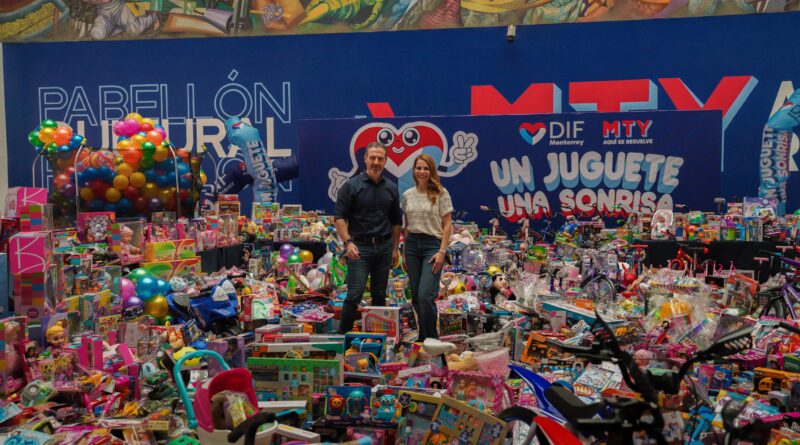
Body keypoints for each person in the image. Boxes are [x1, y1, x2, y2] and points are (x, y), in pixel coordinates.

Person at [335, 142, 402, 334]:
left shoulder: (391, 188)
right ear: (365, 159)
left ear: (385, 161)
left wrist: (395, 249)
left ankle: (378, 339)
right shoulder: (351, 186)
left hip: (384, 248)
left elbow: (396, 221)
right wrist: (348, 243)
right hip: (359, 249)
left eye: (380, 158)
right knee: (354, 295)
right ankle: (342, 337)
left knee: (379, 294)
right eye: (372, 157)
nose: (376, 162)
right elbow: (339, 217)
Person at [402, 154, 453, 342]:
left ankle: (432, 338)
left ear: (431, 171)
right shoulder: (407, 195)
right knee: (416, 296)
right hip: (412, 246)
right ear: (414, 171)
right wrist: (404, 252)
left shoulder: (441, 193)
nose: (422, 172)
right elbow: (407, 225)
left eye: (425, 168)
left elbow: (447, 224)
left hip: (432, 246)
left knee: (425, 295)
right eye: (418, 168)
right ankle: (423, 338)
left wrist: (442, 252)